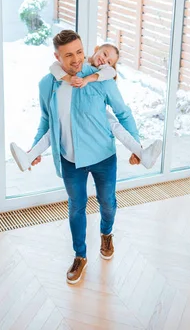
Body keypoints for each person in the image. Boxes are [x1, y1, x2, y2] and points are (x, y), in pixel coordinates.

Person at [28, 29, 141, 284]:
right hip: (71, 160)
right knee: (76, 207)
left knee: (107, 203)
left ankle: (106, 233)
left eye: (79, 52)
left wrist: (136, 146)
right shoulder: (48, 84)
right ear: (57, 57)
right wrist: (35, 149)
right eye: (68, 55)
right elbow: (46, 120)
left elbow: (123, 113)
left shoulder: (100, 78)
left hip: (103, 156)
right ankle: (80, 255)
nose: (76, 60)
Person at [10, 43, 162, 172]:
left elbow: (122, 109)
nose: (104, 61)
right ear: (96, 49)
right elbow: (54, 68)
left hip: (94, 117)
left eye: (109, 61)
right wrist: (68, 77)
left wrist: (88, 79)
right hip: (72, 114)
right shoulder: (78, 64)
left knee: (114, 125)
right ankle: (29, 156)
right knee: (54, 129)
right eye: (104, 54)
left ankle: (142, 154)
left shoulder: (104, 74)